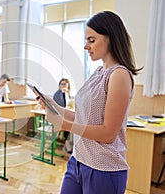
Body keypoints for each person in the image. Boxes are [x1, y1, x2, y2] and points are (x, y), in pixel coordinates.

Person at [39, 11, 142, 194]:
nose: (86, 46)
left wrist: (64, 125)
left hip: (104, 169)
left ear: (110, 38)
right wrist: (54, 106)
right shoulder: (98, 72)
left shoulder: (119, 75)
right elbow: (84, 117)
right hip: (78, 160)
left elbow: (108, 133)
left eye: (91, 40)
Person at [53, 78, 72, 154]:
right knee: (67, 124)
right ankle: (67, 145)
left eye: (65, 84)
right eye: (61, 84)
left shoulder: (67, 94)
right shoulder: (57, 94)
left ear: (68, 85)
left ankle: (68, 144)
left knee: (71, 123)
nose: (63, 86)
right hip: (57, 117)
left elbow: (68, 104)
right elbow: (56, 107)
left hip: (65, 115)